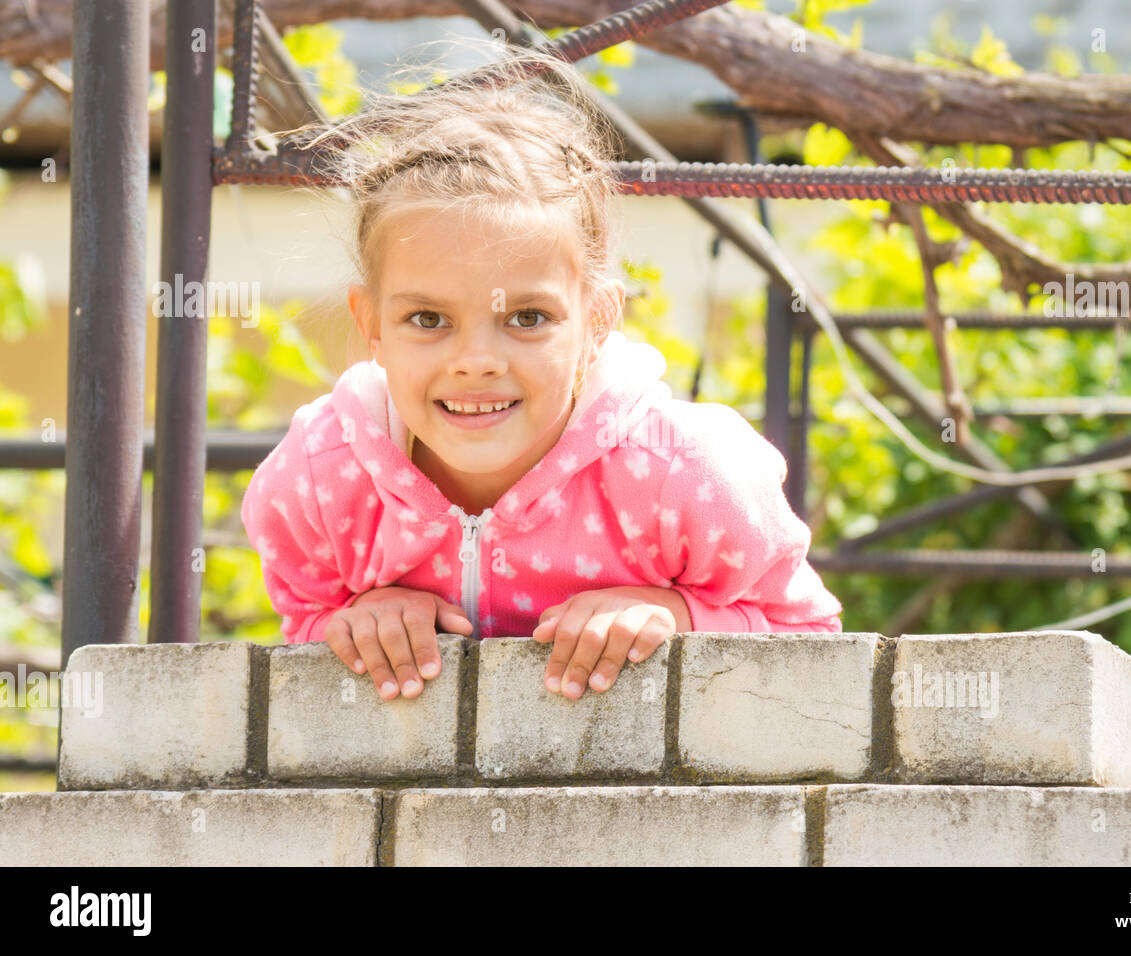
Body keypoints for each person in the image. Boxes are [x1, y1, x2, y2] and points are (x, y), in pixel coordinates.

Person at [240, 45, 843, 706]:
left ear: (598, 321)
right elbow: (299, 636)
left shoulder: (684, 475)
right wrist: (349, 625)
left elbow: (812, 643)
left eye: (527, 318)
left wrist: (678, 617)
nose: (476, 360)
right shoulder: (325, 482)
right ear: (371, 325)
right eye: (427, 319)